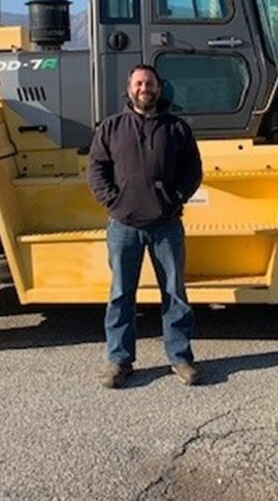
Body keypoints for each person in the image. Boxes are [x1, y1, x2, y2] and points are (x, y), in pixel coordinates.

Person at [87, 64, 203, 389]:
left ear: (158, 87)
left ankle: (180, 358)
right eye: (138, 83)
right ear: (129, 88)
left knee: (174, 293)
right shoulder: (111, 128)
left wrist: (174, 198)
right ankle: (119, 360)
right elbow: (96, 169)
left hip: (166, 225)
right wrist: (114, 201)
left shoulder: (177, 128)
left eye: (149, 83)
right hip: (123, 225)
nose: (144, 88)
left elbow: (192, 170)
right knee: (121, 294)